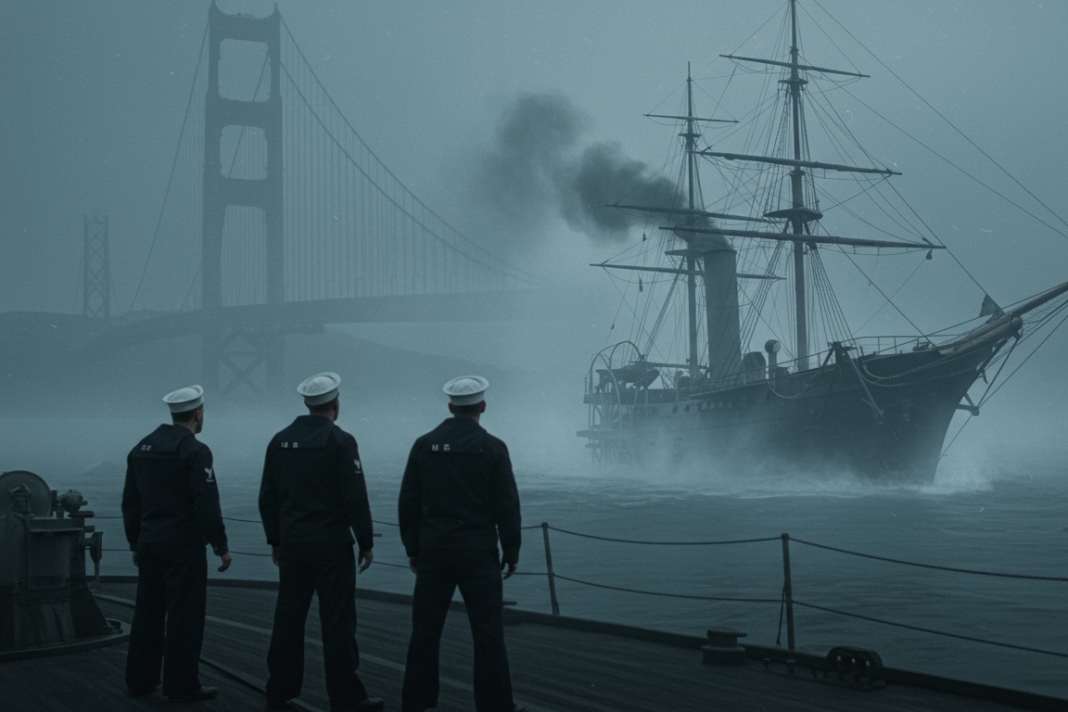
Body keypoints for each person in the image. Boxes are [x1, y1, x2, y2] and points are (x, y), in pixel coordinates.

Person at [259, 372, 384, 712]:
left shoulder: (279, 441)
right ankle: (346, 698)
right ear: (335, 404)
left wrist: (275, 539)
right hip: (331, 545)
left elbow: (267, 496)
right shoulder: (341, 441)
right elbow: (355, 497)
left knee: (288, 619)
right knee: (338, 623)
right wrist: (366, 541)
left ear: (306, 403)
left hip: (293, 544)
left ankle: (279, 690)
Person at [399, 375, 524, 712]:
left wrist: (413, 549)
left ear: (450, 407)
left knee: (425, 633)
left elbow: (408, 502)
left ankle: (417, 703)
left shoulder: (423, 445)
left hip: (434, 551)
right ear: (482, 407)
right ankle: (496, 706)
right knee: (488, 635)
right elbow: (507, 505)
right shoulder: (493, 448)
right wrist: (511, 550)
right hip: (478, 552)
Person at [122, 384, 232, 701]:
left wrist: (134, 542)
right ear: (198, 413)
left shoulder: (141, 448)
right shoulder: (196, 452)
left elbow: (130, 502)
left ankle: (139, 680)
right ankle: (181, 685)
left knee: (147, 613)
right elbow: (206, 503)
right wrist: (220, 545)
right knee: (185, 617)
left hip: (149, 542)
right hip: (183, 545)